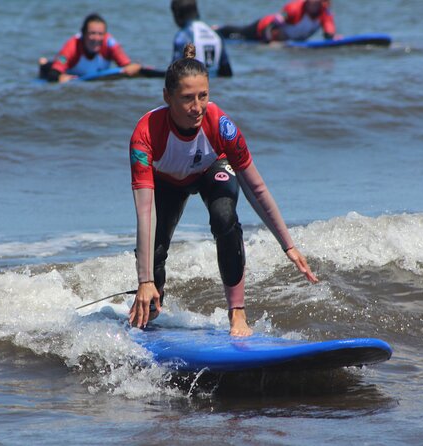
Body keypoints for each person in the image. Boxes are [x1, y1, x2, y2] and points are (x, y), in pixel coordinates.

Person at [128, 44, 318, 337]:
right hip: (166, 182)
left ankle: (238, 314)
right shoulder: (146, 134)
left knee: (224, 215)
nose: (198, 107)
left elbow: (256, 187)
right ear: (167, 97)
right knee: (155, 247)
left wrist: (288, 245)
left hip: (211, 170)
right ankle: (151, 309)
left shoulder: (220, 124)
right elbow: (144, 212)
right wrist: (144, 279)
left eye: (203, 96)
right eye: (187, 98)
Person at [38, 13, 141, 83]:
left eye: (100, 34)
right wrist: (60, 78)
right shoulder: (73, 45)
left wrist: (134, 67)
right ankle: (44, 62)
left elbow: (127, 65)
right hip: (71, 73)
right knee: (47, 67)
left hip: (93, 76)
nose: (96, 38)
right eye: (92, 33)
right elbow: (53, 75)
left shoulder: (109, 42)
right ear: (83, 33)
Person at [215, 0, 336, 43]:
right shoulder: (294, 8)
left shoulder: (324, 13)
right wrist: (267, 40)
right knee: (240, 34)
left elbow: (329, 32)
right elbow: (272, 25)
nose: (313, 3)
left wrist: (332, 38)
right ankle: (218, 30)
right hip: (263, 28)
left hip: (287, 38)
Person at [171, 0, 232, 77]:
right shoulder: (215, 34)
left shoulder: (183, 36)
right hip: (214, 87)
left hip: (194, 86)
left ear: (177, 14)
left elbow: (174, 73)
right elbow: (227, 73)